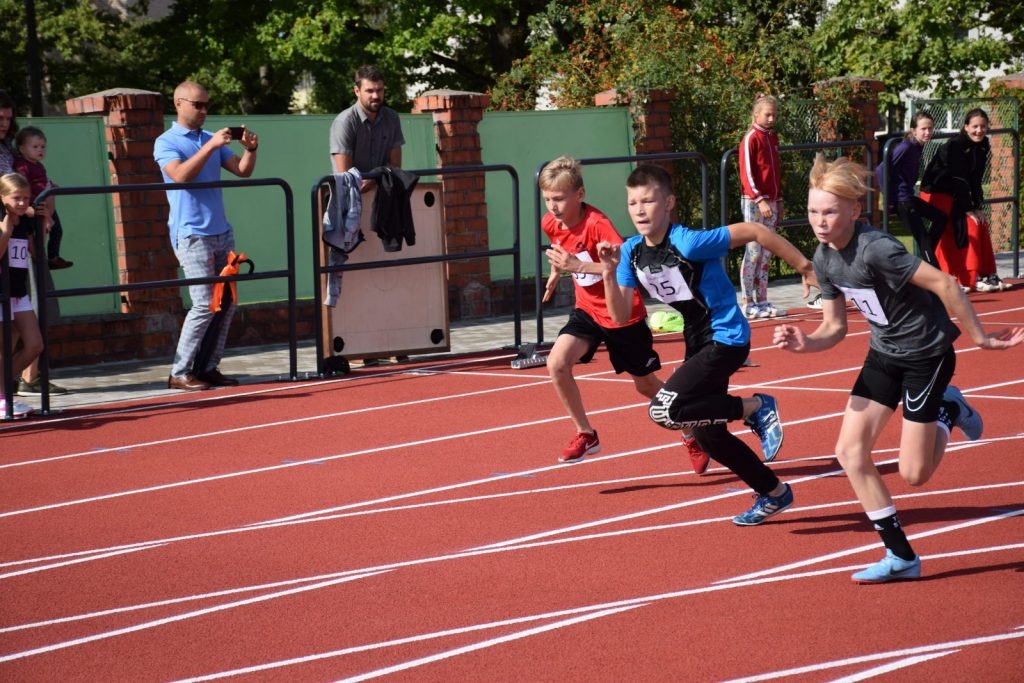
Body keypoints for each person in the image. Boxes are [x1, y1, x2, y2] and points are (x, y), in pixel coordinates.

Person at [772, 155, 1024, 582]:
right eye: (814, 211)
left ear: (854, 209)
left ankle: (947, 408)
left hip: (927, 356)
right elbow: (833, 328)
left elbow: (945, 283)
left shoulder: (878, 249)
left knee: (914, 474)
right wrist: (804, 343)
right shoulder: (825, 257)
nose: (820, 221)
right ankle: (901, 556)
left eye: (830, 211)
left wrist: (981, 338)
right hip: (884, 354)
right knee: (849, 452)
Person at [598, 164, 816, 525]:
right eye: (632, 202)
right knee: (707, 433)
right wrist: (608, 271)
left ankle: (756, 406)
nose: (639, 209)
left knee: (664, 410)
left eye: (648, 201)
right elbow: (620, 315)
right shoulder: (631, 252)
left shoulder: (688, 242)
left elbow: (756, 230)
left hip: (726, 337)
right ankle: (774, 492)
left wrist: (805, 266)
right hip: (698, 342)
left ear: (668, 203)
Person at [540, 156, 710, 473]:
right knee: (557, 363)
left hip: (622, 314)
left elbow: (621, 266)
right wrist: (555, 272)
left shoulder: (598, 225)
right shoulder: (550, 222)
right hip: (587, 312)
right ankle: (586, 433)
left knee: (645, 386)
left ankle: (690, 430)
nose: (553, 206)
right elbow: (560, 247)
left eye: (560, 198)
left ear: (579, 194)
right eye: (548, 199)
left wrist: (577, 267)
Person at [153, 81, 259, 391]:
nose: (203, 111)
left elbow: (242, 170)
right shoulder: (166, 141)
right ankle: (180, 372)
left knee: (226, 303)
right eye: (197, 105)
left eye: (206, 105)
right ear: (178, 104)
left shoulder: (208, 138)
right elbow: (180, 176)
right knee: (202, 304)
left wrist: (251, 149)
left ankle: (209, 366)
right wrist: (210, 146)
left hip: (221, 231)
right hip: (191, 234)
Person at [920, 108, 1008, 292]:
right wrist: (968, 209)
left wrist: (977, 206)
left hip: (954, 193)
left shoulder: (984, 145)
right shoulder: (955, 146)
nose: (979, 130)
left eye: (983, 126)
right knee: (968, 223)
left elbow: (976, 179)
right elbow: (959, 179)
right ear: (966, 127)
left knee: (981, 221)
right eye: (975, 126)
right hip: (935, 192)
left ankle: (987, 274)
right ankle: (968, 276)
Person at [875, 111, 946, 268]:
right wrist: (889, 199)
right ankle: (937, 282)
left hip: (908, 197)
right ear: (914, 130)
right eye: (923, 129)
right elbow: (881, 169)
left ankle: (925, 258)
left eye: (930, 128)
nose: (927, 132)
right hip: (902, 201)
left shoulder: (918, 146)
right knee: (924, 240)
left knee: (941, 218)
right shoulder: (906, 147)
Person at [738, 94, 787, 319]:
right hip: (755, 202)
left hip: (772, 201)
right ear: (755, 114)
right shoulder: (751, 138)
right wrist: (759, 199)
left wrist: (779, 199)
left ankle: (763, 299)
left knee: (768, 252)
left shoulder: (773, 137)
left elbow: (775, 171)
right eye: (767, 114)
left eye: (774, 115)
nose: (771, 118)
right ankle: (748, 302)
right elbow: (747, 174)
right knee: (754, 251)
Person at [0, 173, 45, 418]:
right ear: (2, 198)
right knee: (3, 349)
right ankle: (3, 397)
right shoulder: (2, 221)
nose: (21, 203)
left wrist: (42, 226)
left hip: (18, 291)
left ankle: (4, 390)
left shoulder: (24, 221)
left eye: (26, 198)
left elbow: (36, 253)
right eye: (16, 198)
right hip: (1, 292)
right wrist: (5, 232)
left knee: (35, 344)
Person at [329, 64, 405, 193]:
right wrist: (376, 177)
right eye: (369, 91)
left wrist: (375, 178)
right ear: (357, 91)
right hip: (350, 196)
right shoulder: (345, 122)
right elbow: (344, 175)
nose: (376, 96)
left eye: (380, 90)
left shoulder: (392, 118)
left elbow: (396, 166)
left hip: (383, 195)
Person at [14, 125, 72, 269]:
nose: (40, 150)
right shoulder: (22, 166)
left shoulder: (39, 165)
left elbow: (42, 182)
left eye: (43, 147)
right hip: (35, 205)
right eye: (35, 146)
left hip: (45, 203)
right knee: (38, 234)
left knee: (57, 230)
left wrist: (50, 185)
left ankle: (53, 257)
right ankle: (41, 257)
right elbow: (23, 185)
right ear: (22, 149)